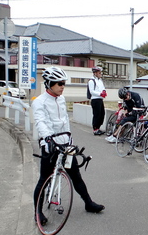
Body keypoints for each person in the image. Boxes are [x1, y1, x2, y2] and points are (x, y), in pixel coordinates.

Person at [32, 66, 104, 225]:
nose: (62, 86)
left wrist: (70, 141)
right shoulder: (39, 102)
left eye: (64, 83)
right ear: (49, 83)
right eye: (59, 83)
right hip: (49, 145)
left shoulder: (62, 99)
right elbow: (41, 122)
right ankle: (37, 212)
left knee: (76, 175)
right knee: (44, 179)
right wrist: (48, 139)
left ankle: (88, 203)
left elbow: (65, 121)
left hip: (65, 144)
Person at [89, 66, 107, 135]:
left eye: (100, 72)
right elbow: (92, 91)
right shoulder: (92, 81)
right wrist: (100, 93)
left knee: (102, 114)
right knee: (96, 114)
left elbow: (103, 88)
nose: (100, 74)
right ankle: (95, 129)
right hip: (95, 99)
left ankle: (98, 127)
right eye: (99, 73)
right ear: (95, 73)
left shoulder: (100, 80)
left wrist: (104, 91)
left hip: (100, 99)